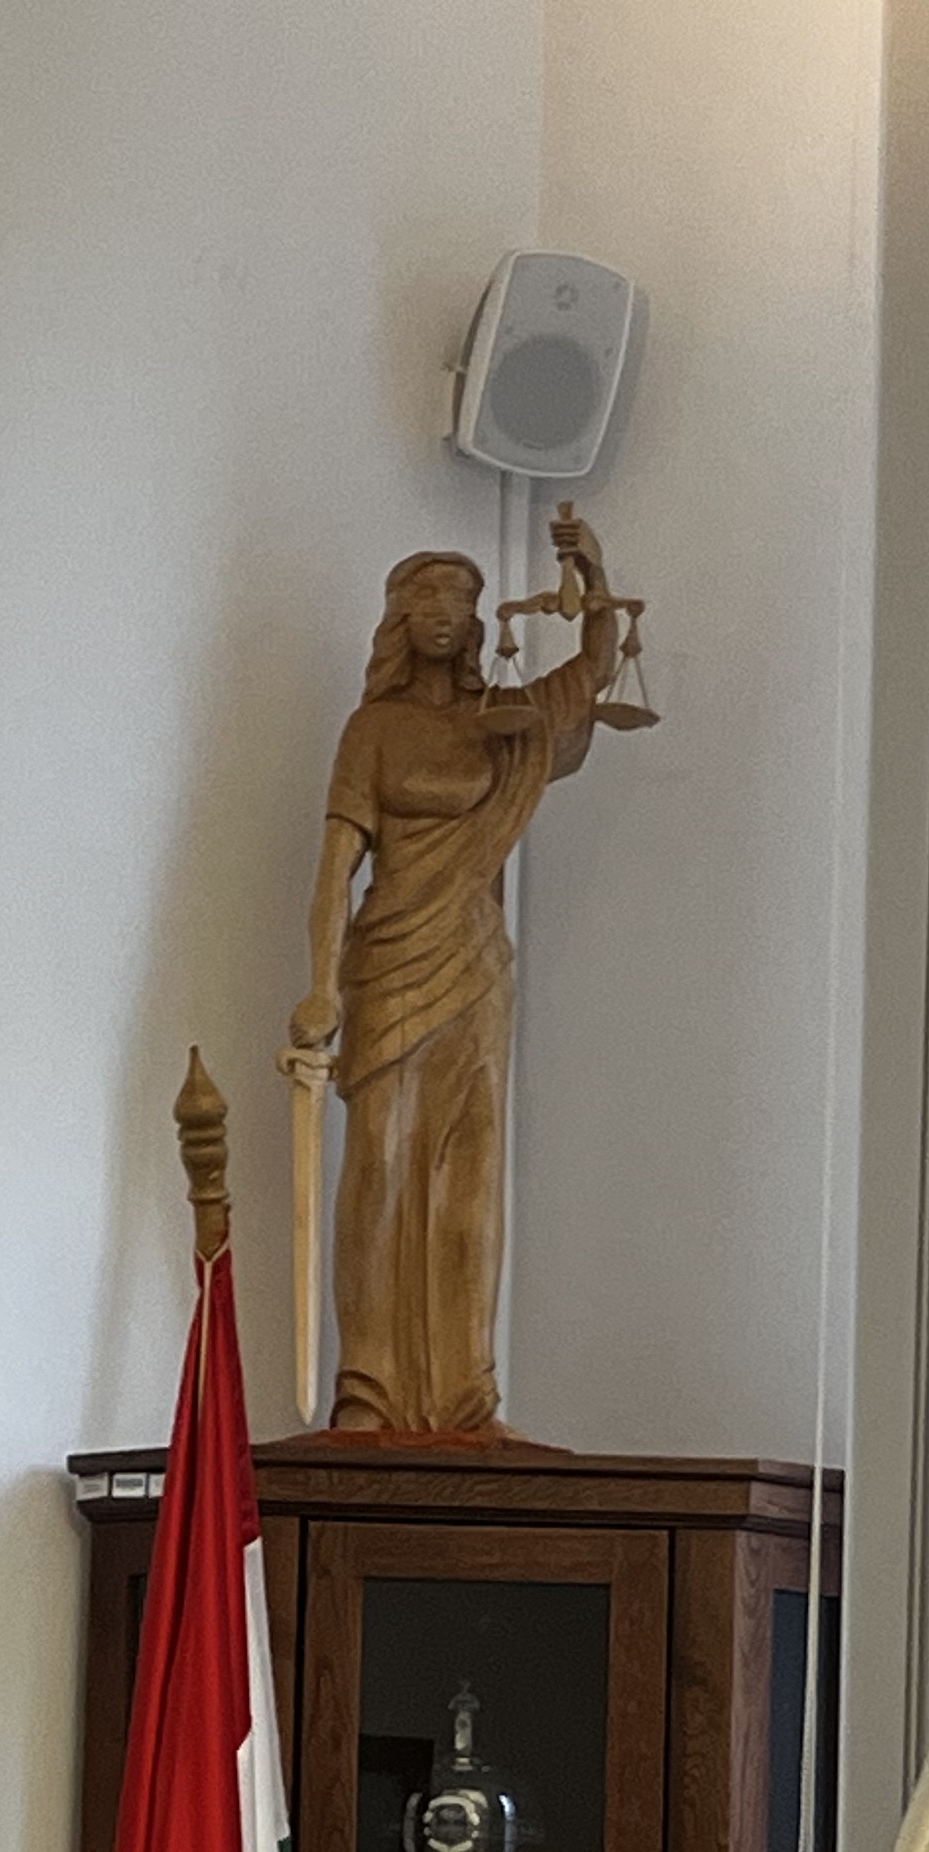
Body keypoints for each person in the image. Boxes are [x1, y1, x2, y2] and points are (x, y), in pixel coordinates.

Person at [283, 507, 638, 1435]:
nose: (445, 614)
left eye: (460, 601)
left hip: (474, 964)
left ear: (478, 622)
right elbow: (333, 871)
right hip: (389, 963)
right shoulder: (372, 730)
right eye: (427, 600)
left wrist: (594, 577)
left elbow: (597, 666)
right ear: (400, 619)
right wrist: (319, 984)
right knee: (379, 1165)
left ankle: (468, 1396)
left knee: (471, 1182)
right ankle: (367, 1388)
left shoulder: (502, 722)